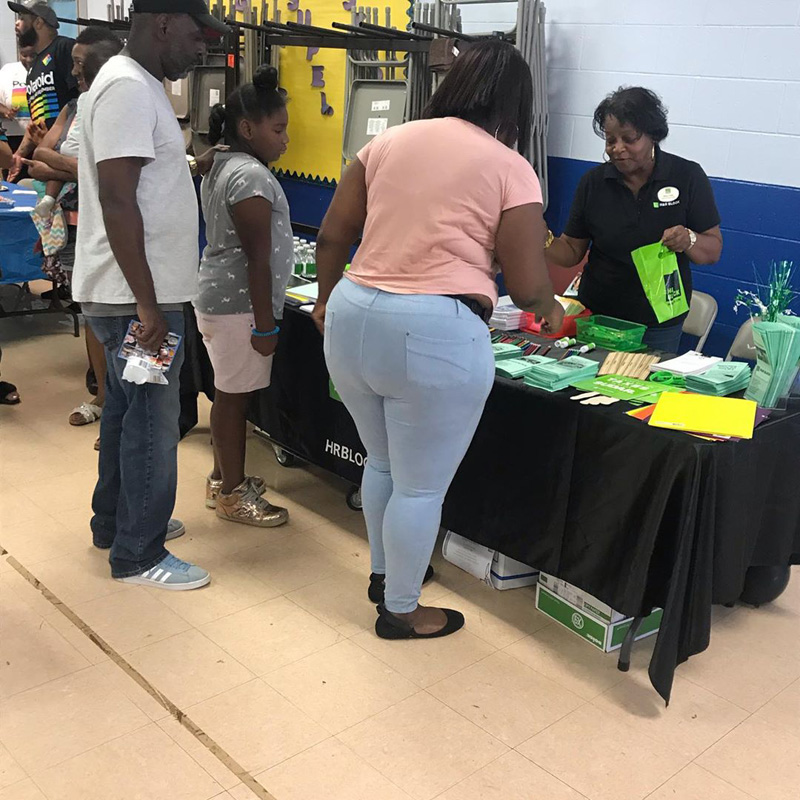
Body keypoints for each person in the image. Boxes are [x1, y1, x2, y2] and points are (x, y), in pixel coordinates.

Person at [311, 39, 562, 639]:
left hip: (352, 314)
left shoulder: (387, 142)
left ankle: (384, 575)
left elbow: (332, 235)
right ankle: (401, 610)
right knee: (421, 487)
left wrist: (323, 299)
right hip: (433, 331)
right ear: (516, 105)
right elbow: (528, 285)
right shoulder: (509, 166)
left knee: (382, 462)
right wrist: (550, 308)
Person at [70, 0, 228, 590]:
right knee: (152, 422)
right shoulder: (129, 89)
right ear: (163, 23)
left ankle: (116, 522)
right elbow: (117, 200)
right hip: (139, 301)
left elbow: (142, 181)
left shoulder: (135, 84)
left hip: (136, 295)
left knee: (125, 410)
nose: (203, 47)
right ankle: (139, 552)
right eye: (197, 34)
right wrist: (147, 303)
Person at [545, 87, 723, 352]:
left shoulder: (687, 176)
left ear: (653, 135)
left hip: (659, 323)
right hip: (598, 316)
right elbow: (571, 250)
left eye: (629, 139)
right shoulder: (593, 183)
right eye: (610, 140)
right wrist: (543, 239)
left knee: (646, 378)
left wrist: (689, 239)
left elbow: (713, 250)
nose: (618, 149)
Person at [194, 65, 292, 528]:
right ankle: (233, 495)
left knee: (226, 395)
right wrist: (265, 325)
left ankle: (221, 479)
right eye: (278, 129)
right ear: (248, 128)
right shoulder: (250, 176)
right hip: (239, 307)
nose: (285, 139)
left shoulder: (220, 163)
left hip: (220, 299)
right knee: (233, 401)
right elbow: (257, 259)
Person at [23, 28, 124, 440]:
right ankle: (103, 395)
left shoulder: (121, 107)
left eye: (81, 63)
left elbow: (107, 172)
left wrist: (62, 165)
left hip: (114, 228)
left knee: (122, 318)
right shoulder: (74, 105)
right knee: (91, 312)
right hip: (77, 225)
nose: (74, 71)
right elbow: (39, 157)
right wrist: (71, 167)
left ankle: (122, 407)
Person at [7, 0, 79, 178]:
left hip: (69, 153)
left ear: (39, 22)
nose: (17, 23)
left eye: (22, 18)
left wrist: (55, 139)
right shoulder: (33, 68)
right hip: (47, 152)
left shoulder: (64, 48)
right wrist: (18, 155)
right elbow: (36, 121)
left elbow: (79, 102)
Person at [0, 44, 36, 152]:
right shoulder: (8, 70)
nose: (28, 59)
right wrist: (6, 111)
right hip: (12, 136)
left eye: (32, 55)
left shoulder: (45, 69)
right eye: (24, 55)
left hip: (39, 135)